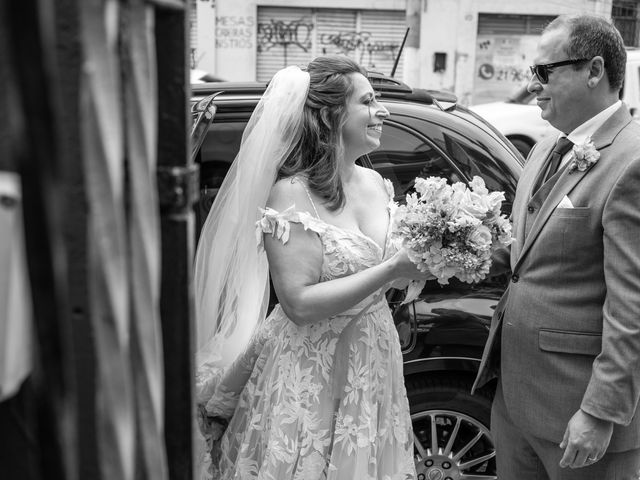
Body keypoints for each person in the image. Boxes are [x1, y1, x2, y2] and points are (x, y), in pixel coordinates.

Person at [193, 55, 430, 479]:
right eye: (369, 101)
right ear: (331, 115)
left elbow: (387, 278)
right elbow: (299, 303)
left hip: (373, 356)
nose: (383, 111)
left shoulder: (375, 183)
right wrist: (393, 269)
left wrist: (423, 268)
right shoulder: (290, 195)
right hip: (309, 366)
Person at [472, 14, 640, 480]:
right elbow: (526, 255)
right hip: (515, 402)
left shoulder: (632, 161)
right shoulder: (546, 147)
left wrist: (600, 412)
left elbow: (632, 306)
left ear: (594, 70)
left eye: (545, 71)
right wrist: (446, 258)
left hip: (578, 416)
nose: (532, 85)